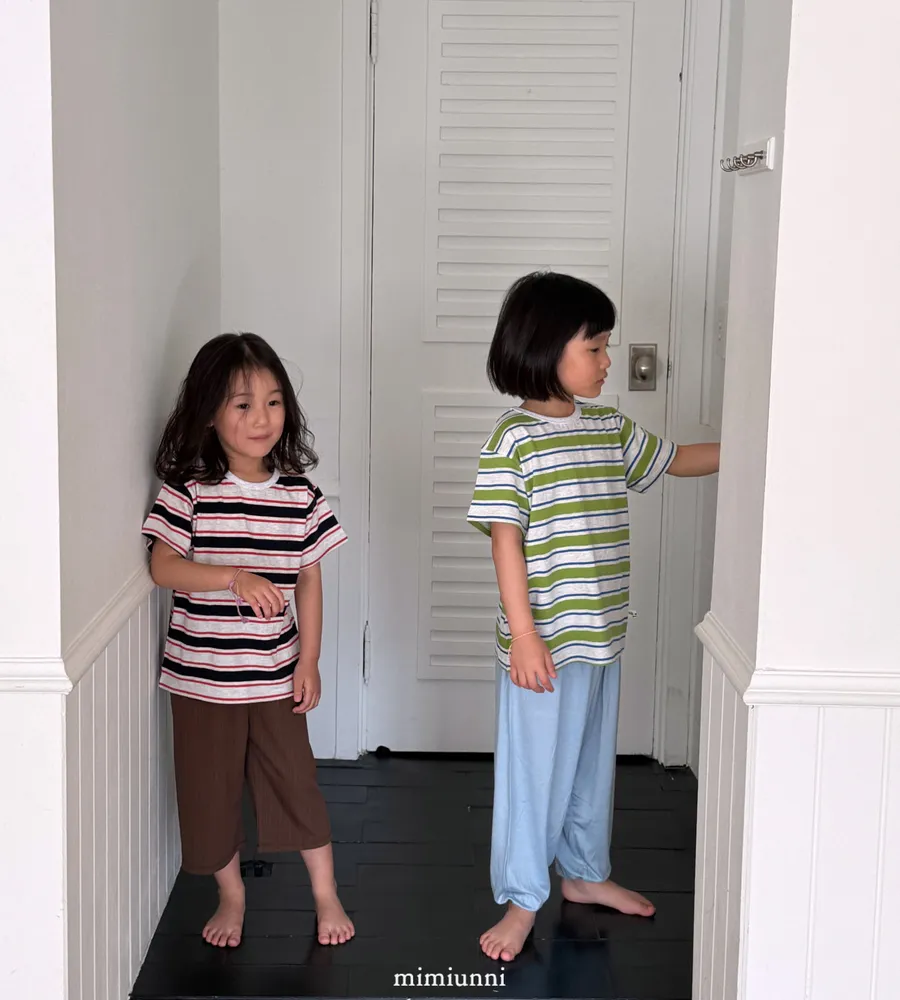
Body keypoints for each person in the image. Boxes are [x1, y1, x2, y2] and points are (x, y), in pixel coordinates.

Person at [467, 272, 719, 962]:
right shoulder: (513, 440)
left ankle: (583, 873)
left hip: (602, 636)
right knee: (535, 775)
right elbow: (504, 540)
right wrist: (524, 636)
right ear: (546, 348)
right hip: (543, 646)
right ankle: (523, 898)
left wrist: (752, 449)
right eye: (596, 348)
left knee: (588, 767)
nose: (609, 361)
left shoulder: (608, 428)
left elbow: (675, 460)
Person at [142, 333, 354, 949]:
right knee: (209, 793)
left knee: (296, 782)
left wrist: (309, 660)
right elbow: (163, 567)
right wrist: (234, 576)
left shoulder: (300, 496)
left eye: (274, 401)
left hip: (274, 675)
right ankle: (231, 895)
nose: (262, 418)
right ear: (209, 413)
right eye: (243, 404)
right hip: (201, 678)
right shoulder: (189, 490)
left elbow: (309, 579)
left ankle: (326, 894)